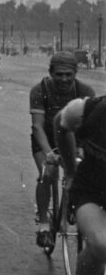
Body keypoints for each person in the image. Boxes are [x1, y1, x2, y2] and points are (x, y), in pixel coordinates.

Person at [29, 51, 95, 248]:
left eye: (69, 74)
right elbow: (37, 127)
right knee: (47, 173)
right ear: (51, 73)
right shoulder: (39, 90)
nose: (64, 79)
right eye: (59, 74)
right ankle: (43, 223)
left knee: (84, 172)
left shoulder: (85, 91)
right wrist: (49, 154)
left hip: (73, 138)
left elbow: (88, 127)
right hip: (46, 138)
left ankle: (74, 204)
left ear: (75, 73)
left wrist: (81, 150)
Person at [54, 95, 105, 275]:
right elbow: (60, 123)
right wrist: (70, 169)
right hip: (92, 191)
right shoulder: (91, 111)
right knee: (101, 243)